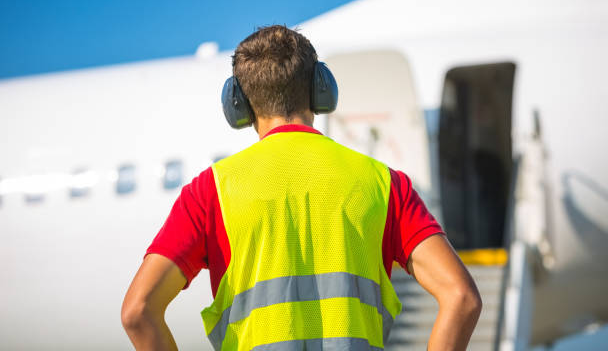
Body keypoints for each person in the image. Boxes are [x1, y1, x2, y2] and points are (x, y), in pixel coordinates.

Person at [121, 25, 481, 350]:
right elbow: (461, 297)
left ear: (238, 104)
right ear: (320, 89)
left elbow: (138, 312)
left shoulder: (209, 191)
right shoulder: (384, 183)